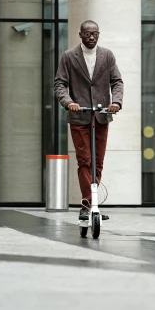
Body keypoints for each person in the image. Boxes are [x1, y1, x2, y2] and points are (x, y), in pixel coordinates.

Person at [53, 20, 124, 220]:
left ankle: (92, 203)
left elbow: (116, 81)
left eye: (94, 34)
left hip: (101, 115)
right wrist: (68, 102)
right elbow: (60, 83)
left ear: (98, 34)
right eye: (87, 34)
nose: (91, 37)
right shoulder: (69, 56)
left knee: (98, 162)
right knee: (85, 160)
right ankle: (87, 203)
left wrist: (116, 102)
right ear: (80, 35)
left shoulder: (107, 55)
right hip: (79, 116)